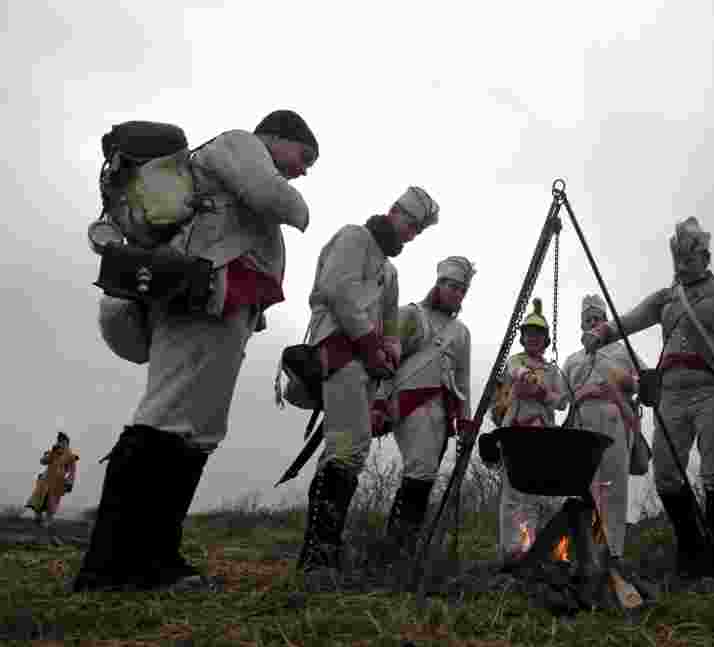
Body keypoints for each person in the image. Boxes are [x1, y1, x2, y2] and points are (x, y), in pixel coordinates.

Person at [74, 109, 318, 593]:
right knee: (167, 421)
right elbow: (280, 201)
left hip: (218, 303)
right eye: (304, 155)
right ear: (276, 136)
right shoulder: (239, 144)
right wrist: (300, 206)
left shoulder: (226, 167)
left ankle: (155, 559)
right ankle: (110, 566)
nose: (304, 169)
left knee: (195, 430)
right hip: (202, 299)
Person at [583, 217, 714, 580]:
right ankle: (691, 547)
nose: (682, 265)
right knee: (665, 474)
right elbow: (630, 319)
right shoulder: (667, 297)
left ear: (705, 257)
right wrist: (602, 332)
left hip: (712, 390)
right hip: (671, 394)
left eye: (689, 257)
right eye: (677, 258)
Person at [296, 186, 439, 574]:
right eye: (409, 224)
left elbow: (391, 325)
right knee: (345, 448)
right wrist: (370, 343)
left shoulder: (390, 271)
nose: (410, 234)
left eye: (416, 231)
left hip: (366, 365)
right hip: (338, 350)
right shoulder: (354, 237)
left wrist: (388, 351)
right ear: (394, 211)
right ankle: (318, 556)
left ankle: (326, 550)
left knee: (352, 448)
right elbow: (337, 290)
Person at [381, 255, 477, 560]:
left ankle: (401, 546)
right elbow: (385, 360)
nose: (457, 294)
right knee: (421, 468)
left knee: (425, 473)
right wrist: (379, 401)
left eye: (462, 290)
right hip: (409, 400)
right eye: (452, 286)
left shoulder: (461, 332)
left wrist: (466, 421)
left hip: (442, 408)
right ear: (438, 284)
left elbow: (463, 379)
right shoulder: (411, 315)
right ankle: (398, 548)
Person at [562, 294, 646, 564]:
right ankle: (583, 551)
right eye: (588, 319)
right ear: (581, 324)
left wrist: (623, 381)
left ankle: (612, 552)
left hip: (614, 417)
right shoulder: (573, 359)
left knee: (613, 484)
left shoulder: (623, 351)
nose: (592, 323)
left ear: (605, 321)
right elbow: (561, 398)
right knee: (582, 487)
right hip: (581, 421)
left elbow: (644, 383)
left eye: (597, 318)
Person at [491, 298, 570, 561]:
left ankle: (531, 548)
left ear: (545, 340)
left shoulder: (552, 370)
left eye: (538, 334)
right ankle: (510, 551)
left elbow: (562, 401)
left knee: (535, 493)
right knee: (513, 494)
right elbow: (514, 371)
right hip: (515, 431)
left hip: (543, 435)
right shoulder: (514, 362)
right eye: (529, 334)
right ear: (522, 338)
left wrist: (542, 393)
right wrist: (525, 378)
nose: (533, 338)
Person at [25, 432, 79, 527]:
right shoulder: (53, 452)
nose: (61, 443)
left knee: (52, 502)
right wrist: (52, 453)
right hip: (45, 479)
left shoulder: (71, 456)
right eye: (59, 441)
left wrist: (70, 483)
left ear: (67, 443)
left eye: (63, 441)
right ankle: (38, 516)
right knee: (39, 498)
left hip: (58, 482)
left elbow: (72, 471)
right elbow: (43, 461)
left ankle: (48, 521)